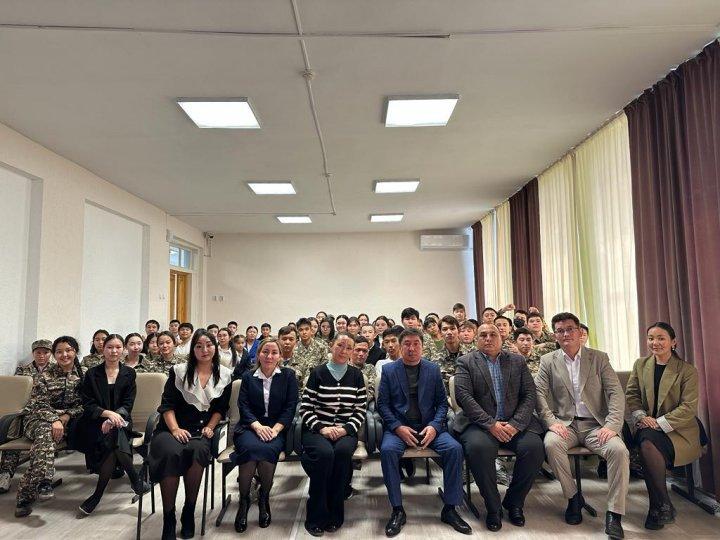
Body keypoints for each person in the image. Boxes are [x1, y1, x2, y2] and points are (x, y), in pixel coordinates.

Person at [535, 312, 628, 539]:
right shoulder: (548, 361)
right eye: (560, 331)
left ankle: (614, 513)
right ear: (555, 335)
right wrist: (551, 422)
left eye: (570, 329)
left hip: (597, 425)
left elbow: (615, 393)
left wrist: (612, 425)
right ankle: (573, 498)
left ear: (579, 332)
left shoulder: (598, 358)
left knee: (619, 451)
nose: (566, 334)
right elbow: (538, 393)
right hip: (565, 425)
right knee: (551, 445)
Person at [377, 328, 471, 537]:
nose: (411, 348)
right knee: (388, 451)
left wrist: (435, 426)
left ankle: (450, 508)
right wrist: (398, 427)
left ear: (422, 346)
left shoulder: (433, 369)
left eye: (416, 344)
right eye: (407, 344)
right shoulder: (389, 370)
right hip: (400, 428)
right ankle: (397, 509)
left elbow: (442, 404)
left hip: (429, 426)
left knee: (454, 449)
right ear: (400, 346)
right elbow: (382, 405)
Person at [453, 324, 544, 531]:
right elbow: (463, 397)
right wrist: (491, 424)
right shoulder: (466, 362)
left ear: (501, 338)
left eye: (493, 334)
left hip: (514, 423)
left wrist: (515, 424)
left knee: (534, 448)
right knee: (479, 448)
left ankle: (514, 502)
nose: (488, 338)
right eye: (483, 335)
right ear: (476, 339)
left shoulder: (517, 361)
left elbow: (529, 395)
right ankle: (493, 507)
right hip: (478, 424)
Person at [148, 329, 232, 539]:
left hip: (200, 430)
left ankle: (188, 511)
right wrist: (175, 429)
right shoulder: (179, 371)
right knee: (169, 452)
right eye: (199, 346)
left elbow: (220, 409)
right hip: (171, 428)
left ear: (215, 347)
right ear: (192, 349)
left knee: (197, 452)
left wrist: (211, 427)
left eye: (209, 345)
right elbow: (167, 405)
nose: (204, 350)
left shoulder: (225, 375)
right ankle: (169, 517)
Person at [625, 322, 701, 530]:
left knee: (646, 442)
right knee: (646, 440)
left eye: (661, 338)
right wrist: (642, 415)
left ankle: (658, 506)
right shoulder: (641, 364)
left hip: (678, 430)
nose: (655, 342)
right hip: (646, 425)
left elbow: (688, 407)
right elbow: (632, 394)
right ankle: (663, 505)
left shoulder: (687, 370)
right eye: (651, 338)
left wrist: (658, 423)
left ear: (673, 342)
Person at [299, 333, 366, 536]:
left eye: (348, 347)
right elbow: (306, 408)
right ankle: (316, 515)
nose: (344, 351)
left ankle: (335, 514)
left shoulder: (356, 375)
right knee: (325, 454)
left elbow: (360, 409)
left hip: (346, 430)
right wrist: (322, 428)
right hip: (317, 429)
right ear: (331, 345)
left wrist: (345, 429)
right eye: (340, 345)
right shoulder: (317, 373)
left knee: (342, 452)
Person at [74, 334, 148, 516]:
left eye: (118, 347)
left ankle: (97, 496)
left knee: (115, 434)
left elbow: (128, 404)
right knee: (115, 436)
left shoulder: (129, 373)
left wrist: (115, 418)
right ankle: (135, 480)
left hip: (121, 420)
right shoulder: (92, 374)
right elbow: (88, 404)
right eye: (109, 347)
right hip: (95, 421)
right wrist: (107, 415)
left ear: (123, 349)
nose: (114, 351)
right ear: (103, 349)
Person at [232, 338, 299, 532]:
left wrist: (276, 429)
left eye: (274, 352)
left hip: (276, 428)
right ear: (258, 354)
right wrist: (257, 426)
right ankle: (244, 501)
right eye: (265, 352)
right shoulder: (248, 376)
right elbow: (243, 406)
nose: (269, 356)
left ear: (280, 356)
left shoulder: (288, 376)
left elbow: (290, 407)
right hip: (250, 426)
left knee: (267, 452)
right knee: (249, 451)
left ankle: (264, 499)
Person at [14, 336, 84, 517]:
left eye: (68, 350)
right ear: (54, 354)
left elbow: (85, 404)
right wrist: (54, 419)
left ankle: (25, 496)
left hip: (68, 422)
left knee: (43, 446)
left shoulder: (84, 375)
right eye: (59, 351)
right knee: (46, 434)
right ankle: (44, 481)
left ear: (75, 351)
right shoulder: (44, 375)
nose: (64, 355)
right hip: (38, 419)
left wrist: (68, 415)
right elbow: (39, 403)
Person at [0, 340, 54, 495]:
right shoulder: (23, 371)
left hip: (44, 412)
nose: (42, 356)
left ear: (50, 354)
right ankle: (5, 473)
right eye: (38, 352)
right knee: (12, 432)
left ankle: (40, 477)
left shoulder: (56, 370)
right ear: (33, 353)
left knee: (42, 434)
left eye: (46, 352)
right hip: (24, 411)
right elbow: (16, 395)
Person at [429, 316, 463, 391]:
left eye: (452, 328)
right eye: (445, 329)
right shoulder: (435, 359)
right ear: (440, 333)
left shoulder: (471, 354)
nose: (449, 332)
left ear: (458, 331)